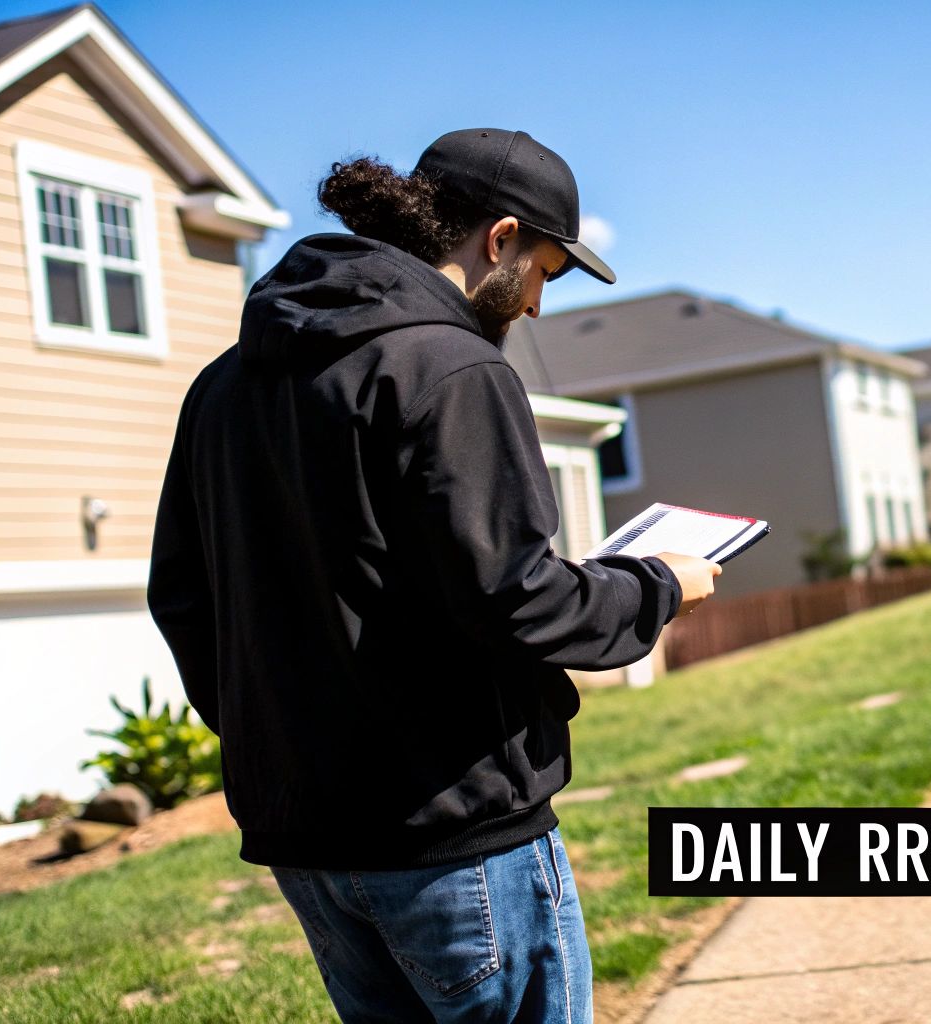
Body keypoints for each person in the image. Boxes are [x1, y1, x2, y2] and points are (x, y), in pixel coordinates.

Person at [147, 128, 721, 1023]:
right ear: (500, 239)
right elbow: (517, 598)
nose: (535, 304)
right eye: (546, 271)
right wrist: (660, 586)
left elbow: (184, 597)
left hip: (310, 844)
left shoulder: (224, 386)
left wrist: (283, 743)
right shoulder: (452, 367)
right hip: (457, 843)